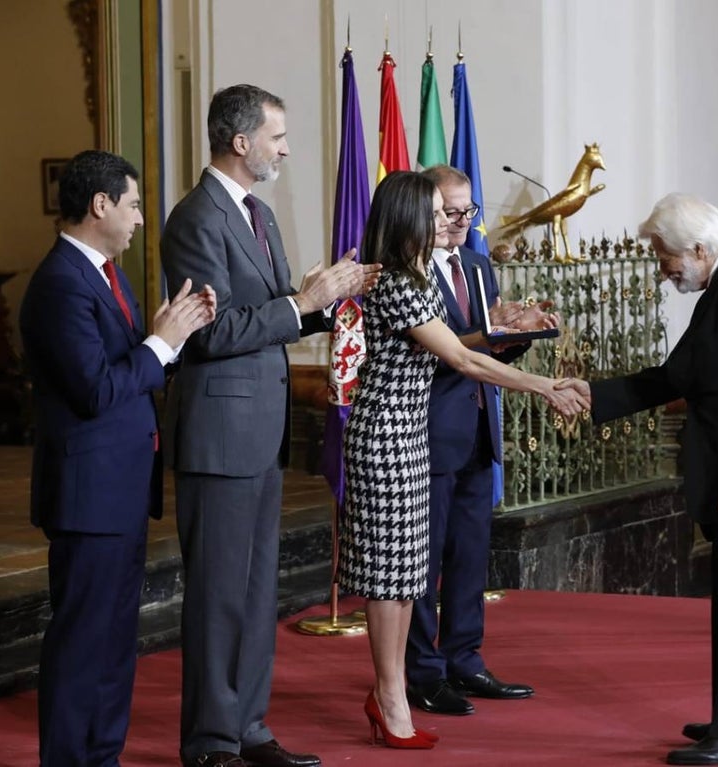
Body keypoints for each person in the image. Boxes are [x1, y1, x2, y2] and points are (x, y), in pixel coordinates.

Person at [558, 193, 718, 765]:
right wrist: (592, 395)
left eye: (665, 255)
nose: (662, 268)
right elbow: (677, 376)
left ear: (699, 249)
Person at [160, 84, 379, 767]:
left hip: (260, 431)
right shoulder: (195, 219)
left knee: (258, 593)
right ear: (241, 141)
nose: (286, 148)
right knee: (219, 594)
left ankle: (249, 727)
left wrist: (327, 297)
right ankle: (210, 740)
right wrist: (302, 302)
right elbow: (208, 333)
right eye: (278, 136)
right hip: (220, 437)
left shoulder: (260, 215)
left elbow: (280, 309)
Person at [337, 170, 586, 750]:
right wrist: (544, 385)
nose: (446, 220)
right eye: (434, 209)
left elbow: (469, 348)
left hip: (410, 435)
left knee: (403, 576)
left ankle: (391, 691)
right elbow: (463, 361)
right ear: (408, 217)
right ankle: (392, 693)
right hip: (386, 434)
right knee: (388, 576)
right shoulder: (399, 283)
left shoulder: (418, 278)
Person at [21, 149, 216, 766]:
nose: (138, 219)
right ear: (100, 205)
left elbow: (132, 368)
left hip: (123, 490)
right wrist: (160, 342)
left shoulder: (108, 273)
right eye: (132, 205)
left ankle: (102, 757)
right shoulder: (59, 283)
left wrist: (168, 338)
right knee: (83, 644)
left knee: (113, 644)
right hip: (88, 496)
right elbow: (97, 389)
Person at [404, 165, 554, 717]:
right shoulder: (411, 271)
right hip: (426, 431)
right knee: (422, 561)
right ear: (424, 211)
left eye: (469, 210)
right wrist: (491, 338)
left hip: (476, 432)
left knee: (470, 556)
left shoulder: (477, 263)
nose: (462, 221)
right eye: (450, 211)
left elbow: (487, 353)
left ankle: (465, 659)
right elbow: (445, 353)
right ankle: (423, 672)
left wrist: (516, 331)